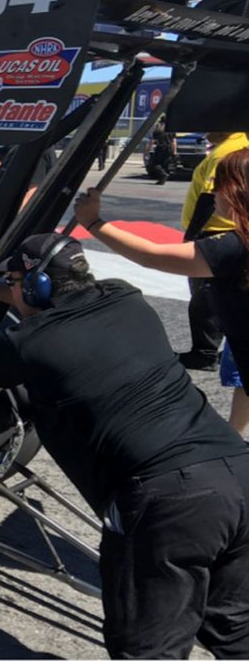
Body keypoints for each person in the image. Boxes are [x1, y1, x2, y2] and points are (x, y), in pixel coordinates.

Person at [0, 232, 249, 658]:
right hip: (236, 471)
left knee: (147, 648)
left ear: (35, 286)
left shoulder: (31, 340)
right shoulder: (125, 297)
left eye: (15, 281)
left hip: (166, 499)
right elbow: (49, 299)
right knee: (233, 628)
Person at [75, 147, 249, 435]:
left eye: (219, 184)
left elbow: (153, 256)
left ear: (236, 190)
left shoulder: (235, 248)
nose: (214, 192)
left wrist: (94, 223)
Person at [178, 131, 249, 371]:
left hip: (215, 231)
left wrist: (192, 236)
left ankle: (205, 353)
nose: (205, 129)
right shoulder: (232, 145)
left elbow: (210, 196)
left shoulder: (227, 150)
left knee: (205, 298)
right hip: (221, 230)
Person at [148, 120, 176, 185]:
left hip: (161, 148)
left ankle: (163, 175)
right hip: (169, 149)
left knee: (154, 164)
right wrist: (174, 151)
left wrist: (148, 149)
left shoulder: (158, 130)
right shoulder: (171, 130)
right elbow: (174, 142)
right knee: (163, 164)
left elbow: (152, 141)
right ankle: (162, 180)